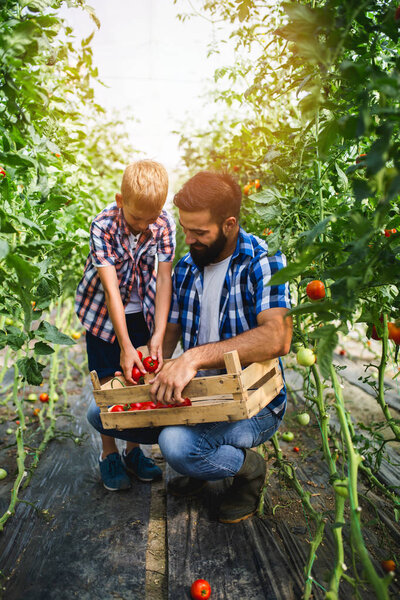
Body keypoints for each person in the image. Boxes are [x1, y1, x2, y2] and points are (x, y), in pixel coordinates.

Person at [86, 170, 292, 523]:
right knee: (99, 414)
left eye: (199, 233)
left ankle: (249, 470)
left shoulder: (262, 259)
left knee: (176, 447)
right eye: (184, 229)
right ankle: (201, 459)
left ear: (229, 225)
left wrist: (193, 357)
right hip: (199, 396)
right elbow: (170, 334)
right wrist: (150, 364)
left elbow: (278, 337)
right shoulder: (186, 268)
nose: (189, 239)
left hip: (251, 402)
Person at [76, 159, 176, 492]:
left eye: (151, 218)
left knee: (140, 381)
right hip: (104, 313)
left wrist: (158, 334)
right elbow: (111, 290)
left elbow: (164, 281)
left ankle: (134, 450)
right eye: (136, 218)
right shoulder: (103, 225)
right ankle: (109, 453)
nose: (143, 226)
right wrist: (125, 345)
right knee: (108, 382)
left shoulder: (163, 224)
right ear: (121, 201)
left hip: (143, 310)